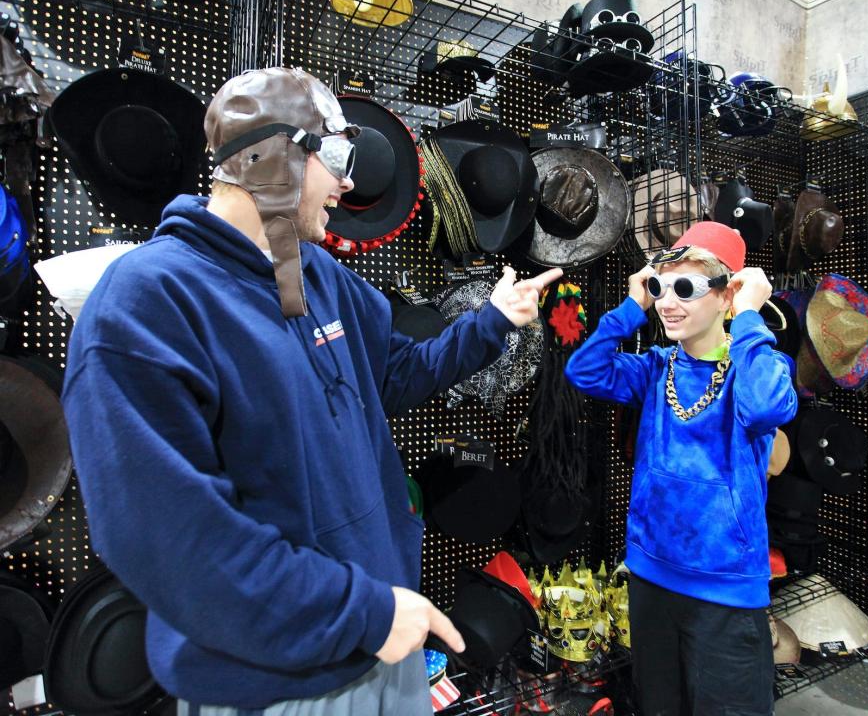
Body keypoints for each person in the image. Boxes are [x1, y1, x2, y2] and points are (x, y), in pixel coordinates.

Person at [61, 67, 561, 715]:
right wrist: (361, 611)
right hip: (274, 683)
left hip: (382, 642)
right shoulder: (148, 303)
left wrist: (493, 322)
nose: (348, 182)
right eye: (336, 153)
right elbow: (172, 541)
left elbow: (391, 376)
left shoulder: (317, 274)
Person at [565, 221, 797, 715]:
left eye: (685, 288)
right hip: (653, 578)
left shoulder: (755, 365)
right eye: (660, 286)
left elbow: (764, 409)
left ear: (725, 293)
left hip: (726, 588)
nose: (667, 302)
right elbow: (583, 370)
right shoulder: (655, 366)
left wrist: (750, 315)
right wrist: (633, 306)